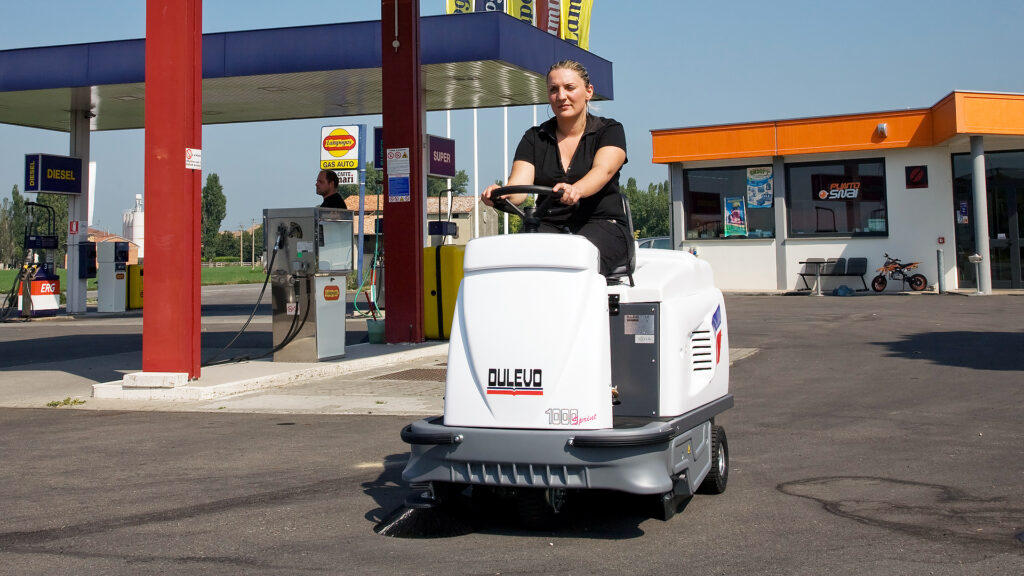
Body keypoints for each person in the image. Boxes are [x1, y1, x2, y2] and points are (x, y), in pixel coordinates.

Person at [481, 59, 629, 276]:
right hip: (548, 224)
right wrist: (501, 194)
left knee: (576, 257)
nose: (561, 96)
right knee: (514, 259)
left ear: (588, 92)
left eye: (569, 88)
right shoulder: (534, 138)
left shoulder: (609, 131)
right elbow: (519, 189)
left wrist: (576, 189)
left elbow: (602, 171)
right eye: (553, 90)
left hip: (602, 223)